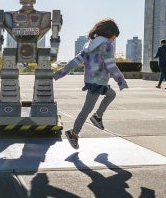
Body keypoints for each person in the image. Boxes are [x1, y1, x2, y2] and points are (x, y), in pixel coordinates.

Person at [53, 18, 128, 149]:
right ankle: (74, 133)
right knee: (86, 109)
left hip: (93, 82)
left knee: (111, 94)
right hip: (98, 83)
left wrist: (60, 73)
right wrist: (121, 81)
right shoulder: (106, 46)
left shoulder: (89, 46)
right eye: (114, 37)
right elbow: (111, 65)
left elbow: (74, 62)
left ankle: (97, 116)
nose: (113, 40)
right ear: (110, 34)